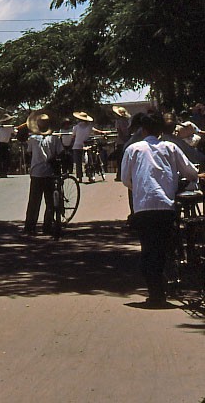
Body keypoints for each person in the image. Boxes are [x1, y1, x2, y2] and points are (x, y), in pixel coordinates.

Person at [121, 111, 205, 308]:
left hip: (143, 208)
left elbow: (126, 179)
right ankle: (164, 285)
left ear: (144, 129)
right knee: (163, 247)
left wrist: (141, 189)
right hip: (166, 206)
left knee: (149, 249)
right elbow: (190, 172)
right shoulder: (171, 147)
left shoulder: (133, 149)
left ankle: (156, 293)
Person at [24, 111, 64, 235]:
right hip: (49, 173)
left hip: (36, 173)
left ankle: (30, 227)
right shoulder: (55, 139)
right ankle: (47, 226)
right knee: (50, 202)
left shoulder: (32, 139)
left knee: (34, 201)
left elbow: (29, 152)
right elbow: (61, 153)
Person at [70, 111, 107, 182]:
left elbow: (73, 136)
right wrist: (102, 132)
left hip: (77, 146)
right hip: (87, 145)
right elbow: (96, 131)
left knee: (78, 162)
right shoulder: (89, 126)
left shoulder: (76, 127)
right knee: (91, 159)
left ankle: (80, 177)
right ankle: (91, 174)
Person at [112, 106, 131, 181]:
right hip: (127, 140)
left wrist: (123, 138)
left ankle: (119, 175)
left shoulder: (118, 121)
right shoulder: (127, 121)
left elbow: (119, 131)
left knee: (120, 159)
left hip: (121, 141)